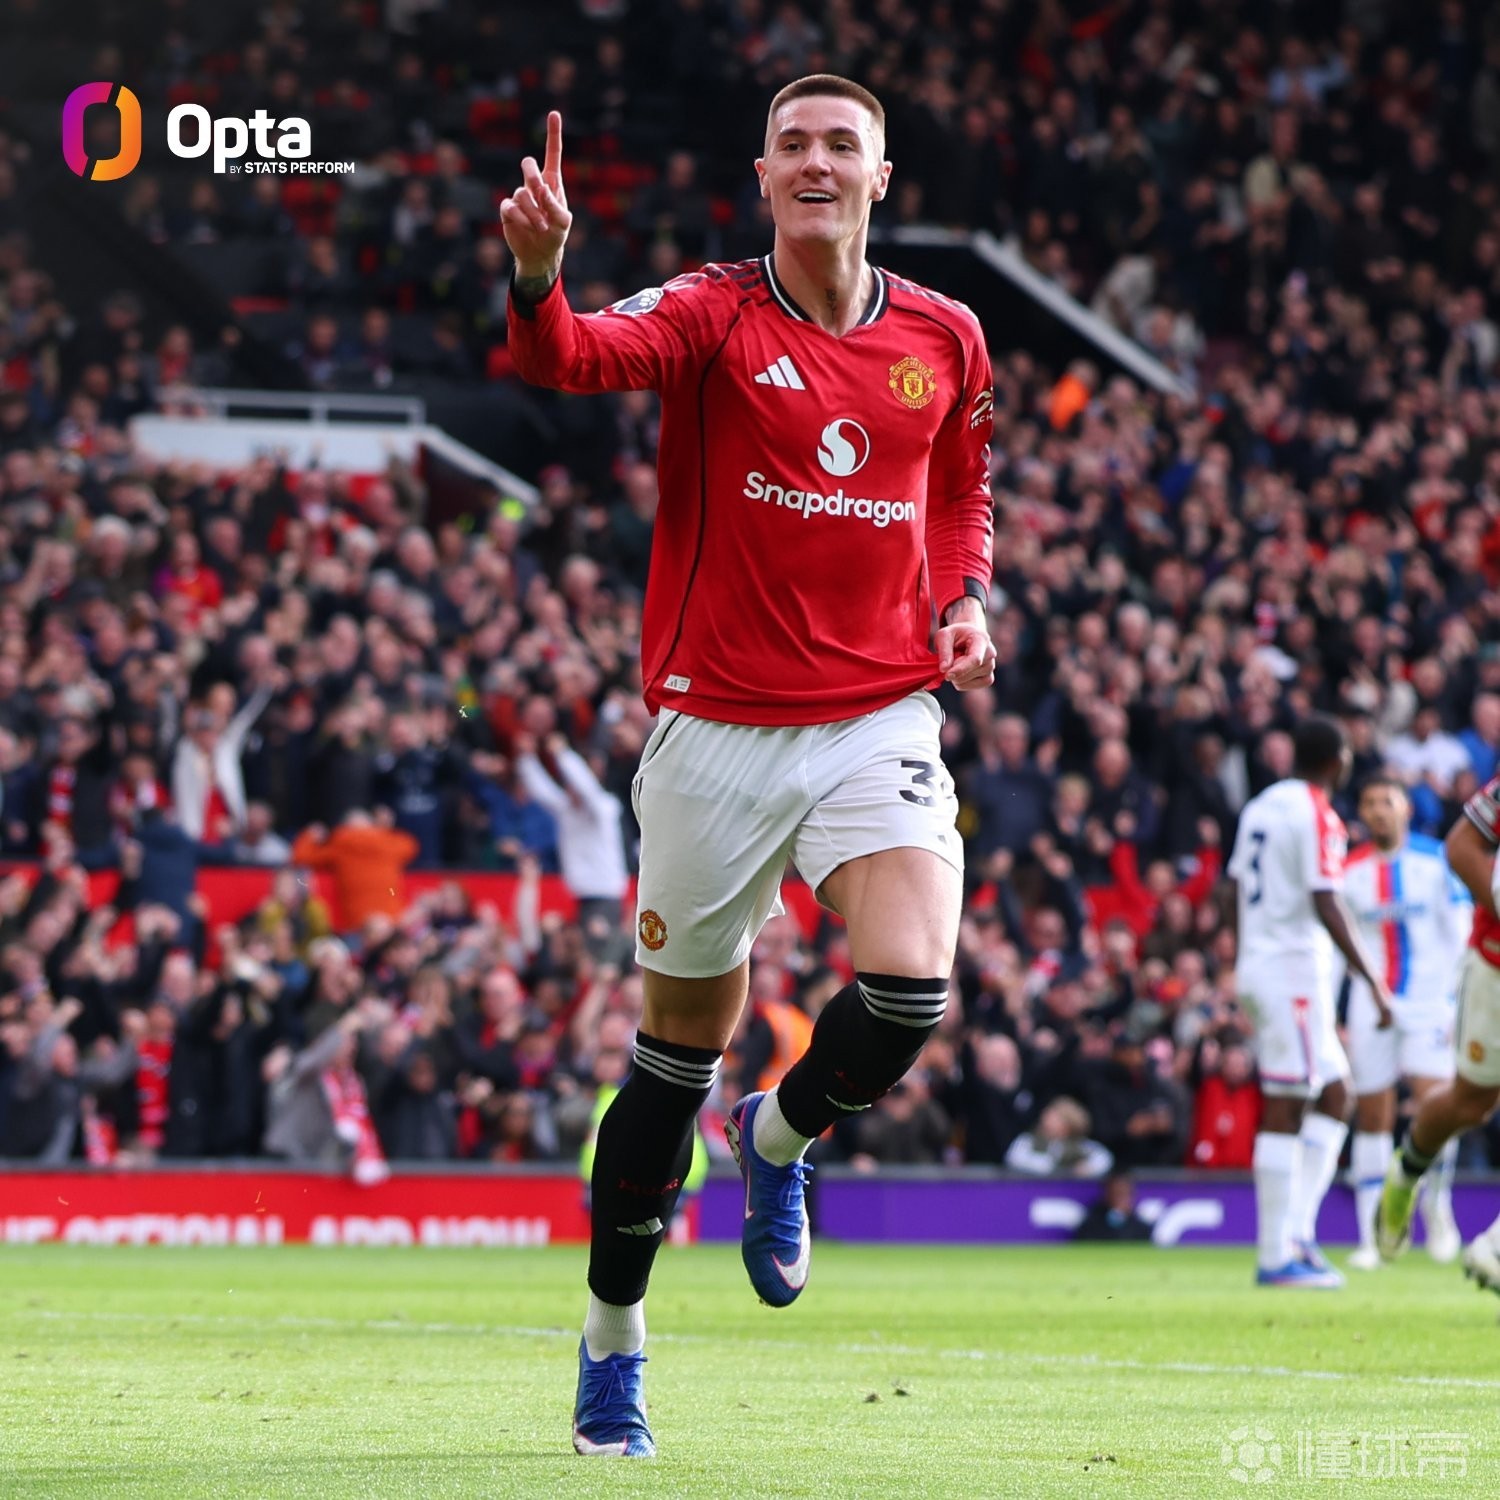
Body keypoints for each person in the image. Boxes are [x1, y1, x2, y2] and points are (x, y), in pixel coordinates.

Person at [503, 76, 995, 1457]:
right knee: (673, 1062)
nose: (816, 162)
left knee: (911, 989)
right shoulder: (714, 312)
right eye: (794, 146)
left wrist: (964, 597)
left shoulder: (946, 335)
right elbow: (570, 359)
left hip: (879, 713)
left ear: (881, 176)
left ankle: (778, 1135)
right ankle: (612, 1342)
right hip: (715, 730)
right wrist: (539, 277)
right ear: (764, 176)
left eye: (842, 145)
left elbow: (959, 489)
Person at [1226, 717, 1393, 1290]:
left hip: (1268, 964)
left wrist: (1243, 956)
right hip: (1291, 970)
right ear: (1336, 760)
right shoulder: (1318, 813)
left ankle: (1297, 1234)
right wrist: (1372, 979)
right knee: (1288, 1099)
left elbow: (1232, 887)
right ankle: (1276, 1255)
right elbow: (1327, 899)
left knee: (1336, 1092)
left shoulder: (1261, 806)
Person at [1375, 772, 1500, 1291]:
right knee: (1471, 1104)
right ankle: (1407, 1172)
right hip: (1495, 964)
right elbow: (1462, 846)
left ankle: (1494, 1247)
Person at [1341, 777, 1469, 1271]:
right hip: (1372, 1004)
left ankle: (1437, 1207)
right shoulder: (1351, 870)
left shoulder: (1436, 861)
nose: (1378, 811)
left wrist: (1457, 1000)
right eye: (1369, 802)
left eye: (1386, 801)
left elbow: (1459, 930)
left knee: (1437, 1105)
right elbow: (1341, 945)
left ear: (1406, 809)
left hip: (1431, 1000)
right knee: (1372, 1114)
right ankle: (1372, 1235)